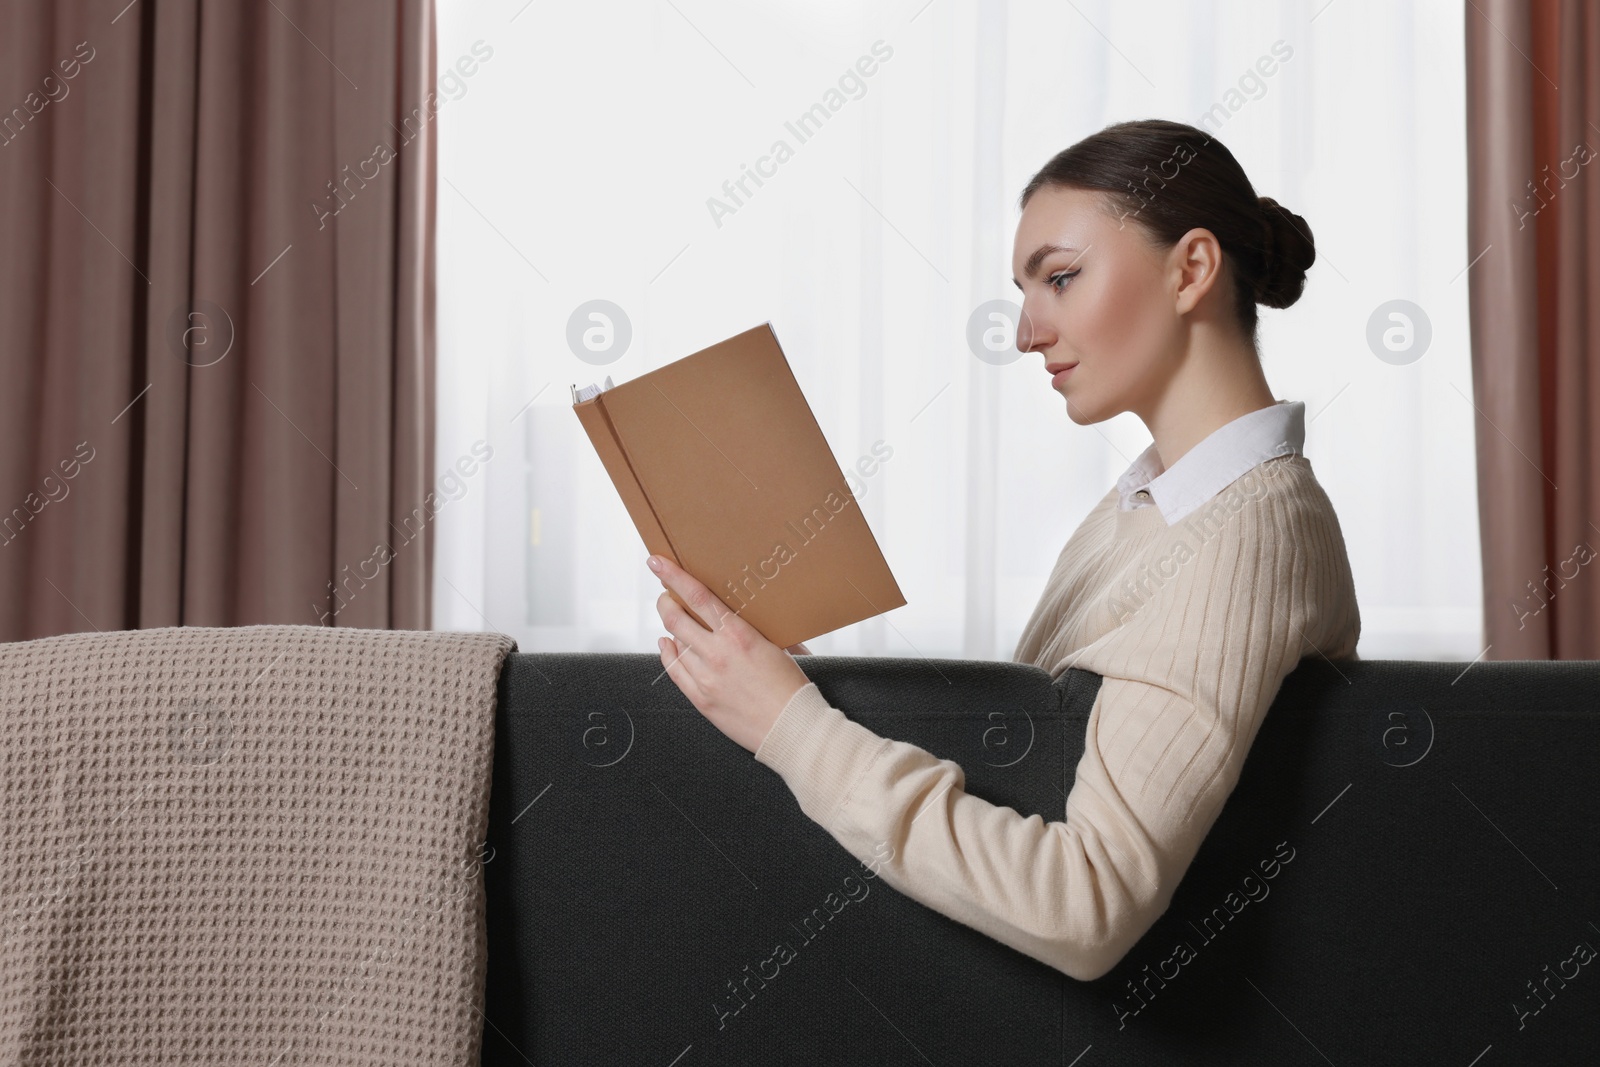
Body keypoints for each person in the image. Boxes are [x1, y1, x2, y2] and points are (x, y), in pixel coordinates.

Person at [648, 118, 1361, 982]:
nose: (1027, 332)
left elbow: (1089, 901)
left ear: (1193, 270)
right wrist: (790, 688)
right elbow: (1035, 758)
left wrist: (793, 730)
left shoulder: (1247, 531)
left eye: (1061, 278)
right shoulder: (1150, 505)